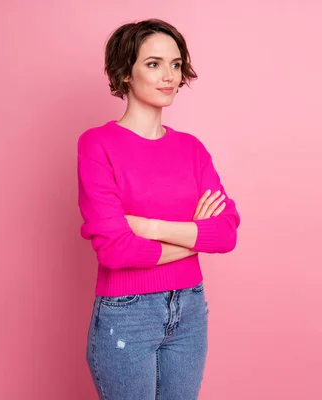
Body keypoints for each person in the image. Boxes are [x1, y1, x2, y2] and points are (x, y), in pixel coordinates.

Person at [76, 19, 241, 399]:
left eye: (175, 64)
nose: (168, 76)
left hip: (190, 310)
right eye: (153, 64)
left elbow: (227, 232)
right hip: (126, 314)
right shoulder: (98, 145)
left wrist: (148, 227)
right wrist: (195, 236)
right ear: (125, 73)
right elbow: (115, 250)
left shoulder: (191, 149)